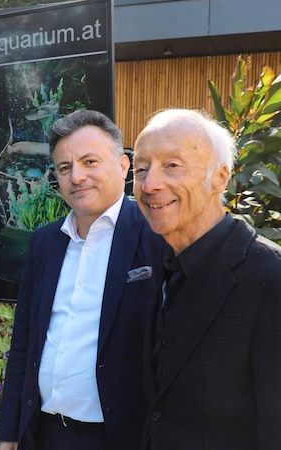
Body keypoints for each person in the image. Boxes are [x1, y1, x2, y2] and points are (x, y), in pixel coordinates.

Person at [0, 109, 166, 450]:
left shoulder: (158, 238)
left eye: (90, 162)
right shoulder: (44, 242)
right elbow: (24, 341)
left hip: (119, 437)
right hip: (44, 433)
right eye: (64, 167)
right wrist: (9, 432)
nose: (76, 177)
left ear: (123, 166)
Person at [132, 108, 281, 450]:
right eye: (141, 169)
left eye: (172, 165)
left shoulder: (269, 278)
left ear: (220, 178)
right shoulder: (168, 264)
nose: (150, 184)